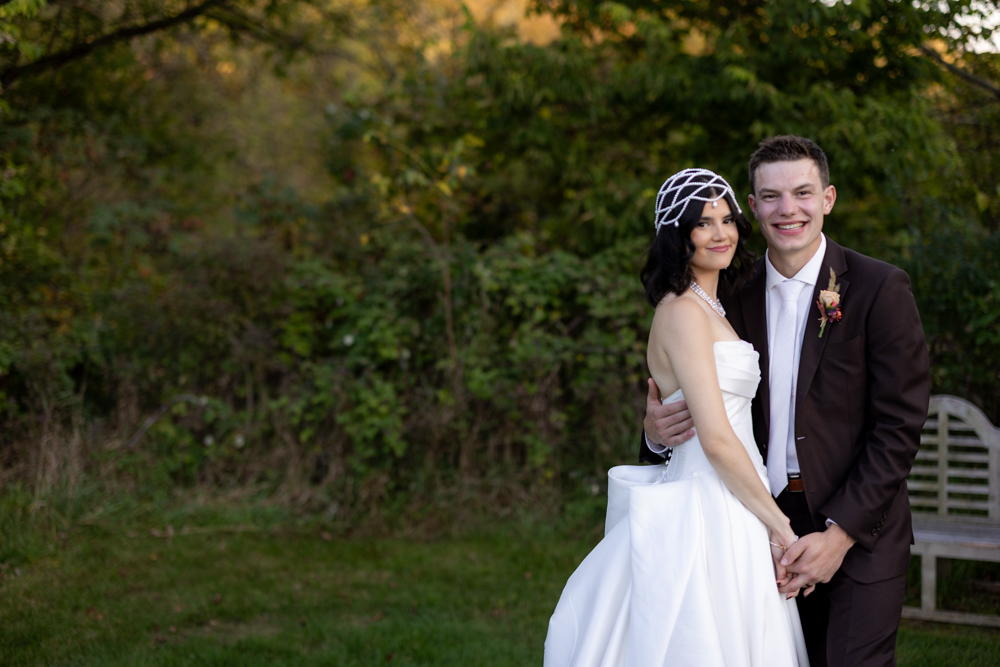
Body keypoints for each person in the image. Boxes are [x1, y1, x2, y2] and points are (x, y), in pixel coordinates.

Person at [642, 136, 930, 667]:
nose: (787, 209)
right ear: (753, 207)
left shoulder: (879, 288)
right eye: (771, 196)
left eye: (802, 192)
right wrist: (655, 433)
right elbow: (694, 402)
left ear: (828, 198)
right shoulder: (724, 294)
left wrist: (839, 536)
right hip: (752, 522)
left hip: (858, 525)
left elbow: (899, 426)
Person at [544, 168, 809, 667]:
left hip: (736, 495)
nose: (720, 233)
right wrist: (781, 527)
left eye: (726, 220)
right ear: (677, 234)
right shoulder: (683, 311)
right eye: (703, 223)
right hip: (710, 502)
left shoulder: (712, 305)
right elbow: (716, 439)